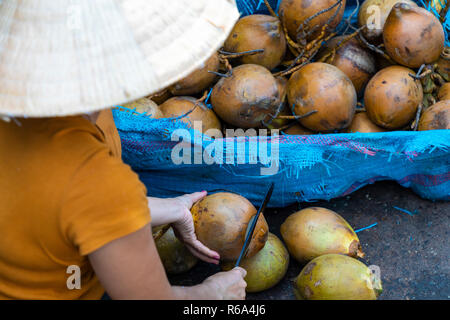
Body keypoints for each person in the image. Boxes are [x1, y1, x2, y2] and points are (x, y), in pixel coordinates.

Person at [0, 0, 245, 299]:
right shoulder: (97, 179)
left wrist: (166, 208)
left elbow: (55, 209)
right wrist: (213, 295)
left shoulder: (89, 126)